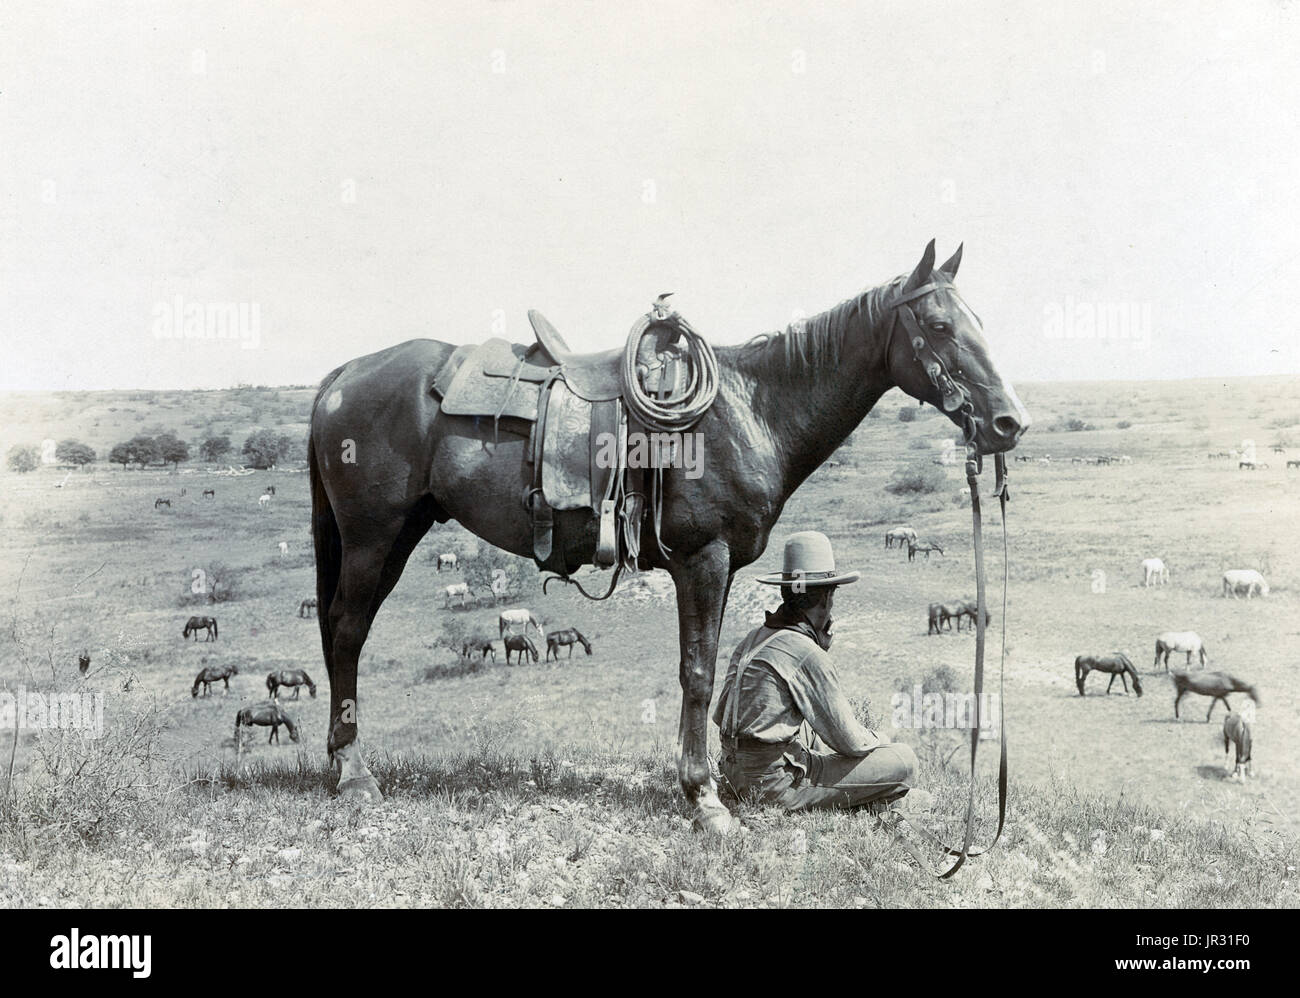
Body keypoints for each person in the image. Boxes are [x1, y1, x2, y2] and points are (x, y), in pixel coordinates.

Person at [714, 531, 917, 812]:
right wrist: (882, 740)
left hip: (732, 774)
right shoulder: (806, 652)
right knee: (904, 760)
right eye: (831, 598)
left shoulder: (753, 638)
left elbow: (721, 715)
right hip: (774, 785)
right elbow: (850, 742)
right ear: (825, 599)